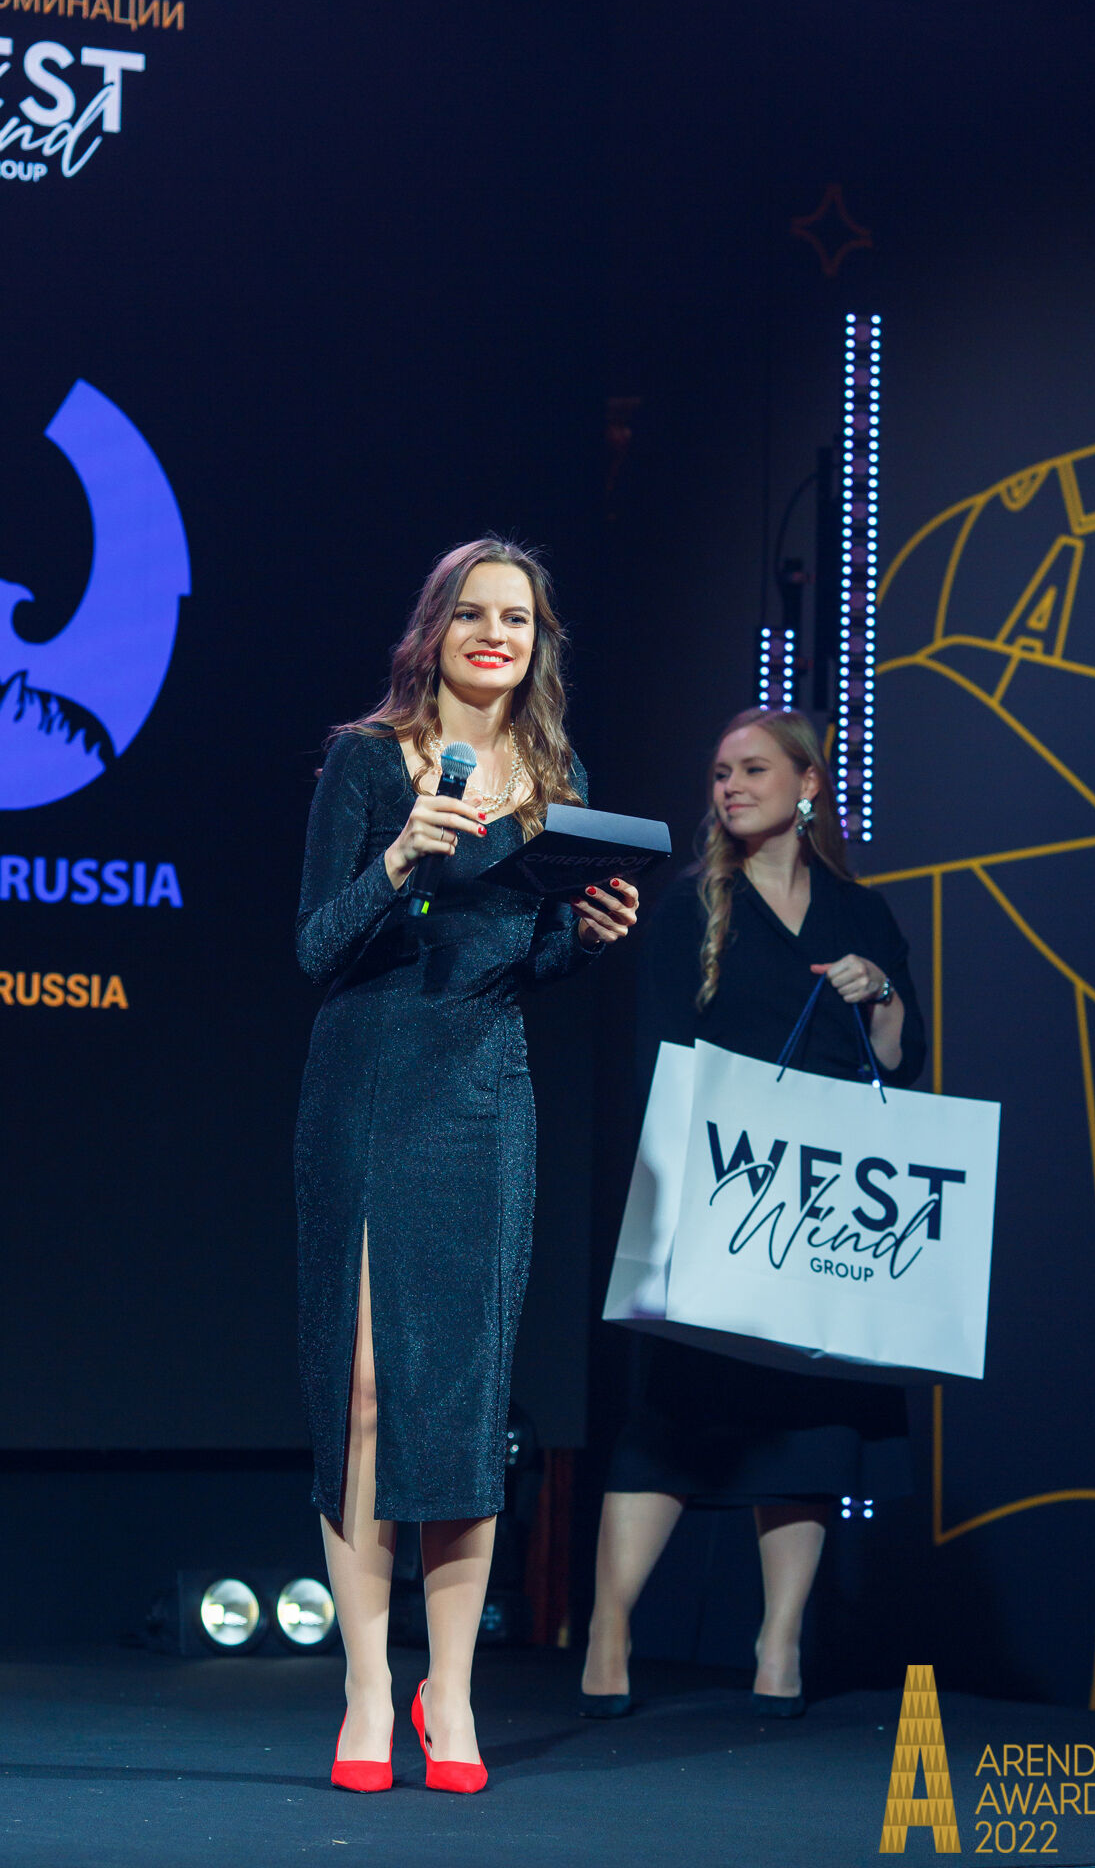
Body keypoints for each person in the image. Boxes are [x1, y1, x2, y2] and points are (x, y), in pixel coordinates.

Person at [295, 536, 637, 1794]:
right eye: (474, 614)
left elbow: (524, 960)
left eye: (519, 619)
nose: (497, 636)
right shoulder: (364, 760)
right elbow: (314, 947)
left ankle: (450, 1689)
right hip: (365, 1088)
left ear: (539, 642)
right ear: (432, 629)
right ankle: (366, 1688)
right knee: (365, 1395)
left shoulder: (558, 778)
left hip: (482, 1096)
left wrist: (584, 936)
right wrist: (400, 859)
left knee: (463, 1400)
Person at [581, 705, 925, 1718]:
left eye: (752, 769)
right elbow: (656, 1056)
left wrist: (880, 995)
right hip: (723, 1191)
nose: (729, 786)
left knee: (811, 1422)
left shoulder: (861, 915)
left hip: (825, 1206)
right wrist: (678, 1189)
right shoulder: (692, 906)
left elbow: (902, 1064)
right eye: (720, 773)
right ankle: (608, 1630)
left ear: (807, 783)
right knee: (673, 1418)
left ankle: (779, 1648)